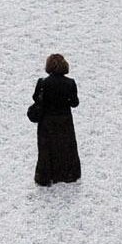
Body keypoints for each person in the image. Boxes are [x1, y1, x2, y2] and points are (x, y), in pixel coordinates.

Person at [28, 52, 81, 185]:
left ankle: (47, 175)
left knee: (47, 149)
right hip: (64, 121)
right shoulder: (70, 83)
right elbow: (74, 103)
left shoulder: (43, 83)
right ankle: (66, 174)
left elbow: (36, 99)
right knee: (65, 148)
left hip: (47, 121)